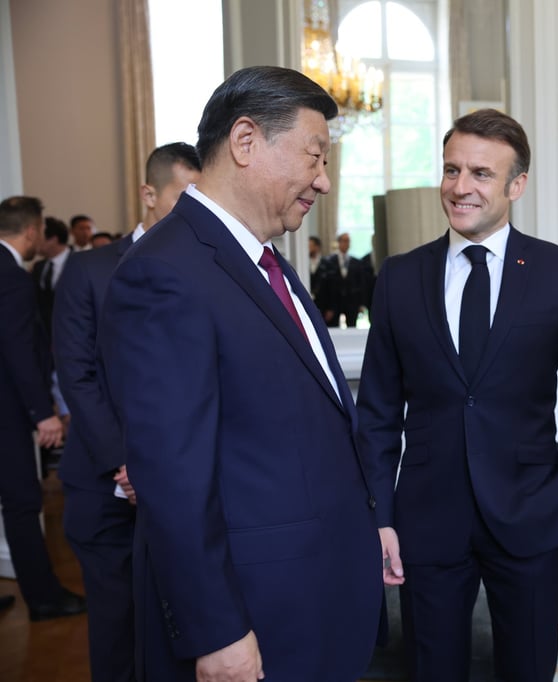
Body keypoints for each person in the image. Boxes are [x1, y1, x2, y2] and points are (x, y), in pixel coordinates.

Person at [98, 66, 381, 681]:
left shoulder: (264, 265)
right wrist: (217, 630)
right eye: (315, 156)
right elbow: (173, 478)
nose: (325, 182)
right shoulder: (166, 273)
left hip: (313, 598)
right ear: (246, 141)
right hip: (252, 618)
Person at [357, 108, 558, 681]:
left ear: (516, 185)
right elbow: (375, 412)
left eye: (481, 173)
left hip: (532, 514)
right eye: (452, 170)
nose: (461, 187)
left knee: (527, 668)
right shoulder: (399, 277)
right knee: (432, 668)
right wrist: (381, 516)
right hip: (427, 518)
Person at [53, 142, 201, 682]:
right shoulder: (90, 270)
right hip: (106, 488)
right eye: (183, 197)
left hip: (181, 489)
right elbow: (78, 375)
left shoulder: (200, 269)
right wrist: (126, 462)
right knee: (117, 632)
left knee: (179, 626)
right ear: (148, 194)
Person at [0, 195, 87, 621]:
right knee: (21, 504)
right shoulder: (13, 278)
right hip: (7, 413)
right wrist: (43, 412)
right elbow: (18, 350)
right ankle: (45, 599)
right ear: (32, 230)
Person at [31, 216, 71, 338]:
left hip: (69, 334)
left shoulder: (80, 264)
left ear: (53, 239)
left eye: (38, 238)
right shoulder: (38, 266)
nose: (34, 242)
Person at [325, 231, 366, 327]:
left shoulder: (357, 262)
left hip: (352, 302)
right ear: (339, 242)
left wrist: (361, 304)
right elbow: (326, 285)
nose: (346, 243)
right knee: (333, 327)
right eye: (344, 241)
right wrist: (327, 306)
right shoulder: (329, 261)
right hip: (335, 302)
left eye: (348, 241)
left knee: (352, 326)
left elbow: (361, 283)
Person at [308, 234, 338, 323]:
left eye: (310, 245)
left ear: (317, 247)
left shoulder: (328, 264)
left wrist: (331, 308)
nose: (308, 248)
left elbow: (332, 288)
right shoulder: (304, 263)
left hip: (324, 305)